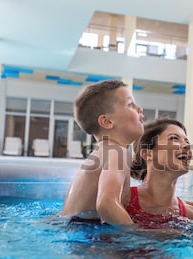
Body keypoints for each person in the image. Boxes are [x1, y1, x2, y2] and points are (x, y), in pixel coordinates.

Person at [61, 79, 144, 226]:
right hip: (87, 235)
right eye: (130, 104)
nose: (140, 109)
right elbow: (106, 203)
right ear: (106, 121)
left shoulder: (104, 151)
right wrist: (136, 233)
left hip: (73, 226)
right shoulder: (117, 151)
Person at [128, 118, 193, 228]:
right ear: (148, 154)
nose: (187, 146)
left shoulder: (191, 215)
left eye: (187, 141)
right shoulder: (123, 201)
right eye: (174, 138)